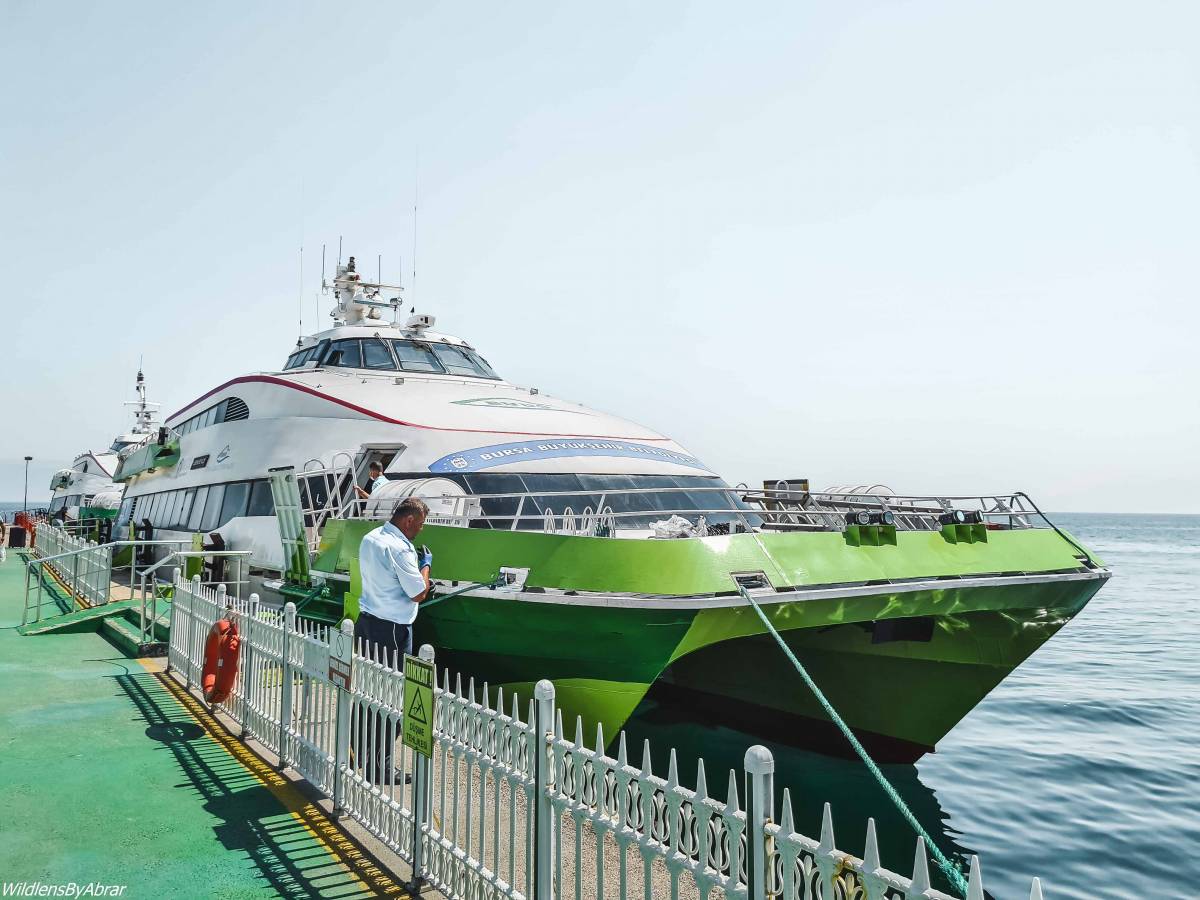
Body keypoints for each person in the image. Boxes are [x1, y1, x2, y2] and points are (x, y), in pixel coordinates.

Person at [352, 496, 433, 784]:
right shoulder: (400, 548)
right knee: (393, 698)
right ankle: (381, 767)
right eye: (420, 525)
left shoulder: (371, 537)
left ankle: (357, 752)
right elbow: (418, 593)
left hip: (367, 622)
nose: (420, 530)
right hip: (393, 630)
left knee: (368, 691)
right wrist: (426, 566)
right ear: (408, 520)